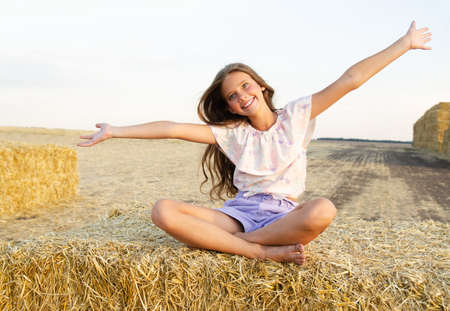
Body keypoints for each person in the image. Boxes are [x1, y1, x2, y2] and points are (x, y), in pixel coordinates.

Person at [78, 21, 431, 265]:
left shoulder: (297, 115)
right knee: (163, 210)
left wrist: (405, 43)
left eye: (245, 86)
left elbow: (351, 79)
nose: (241, 96)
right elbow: (172, 127)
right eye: (232, 96)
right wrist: (115, 130)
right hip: (239, 213)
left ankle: (234, 247)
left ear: (260, 85)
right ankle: (259, 252)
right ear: (229, 106)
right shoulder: (234, 133)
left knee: (323, 208)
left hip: (283, 214)